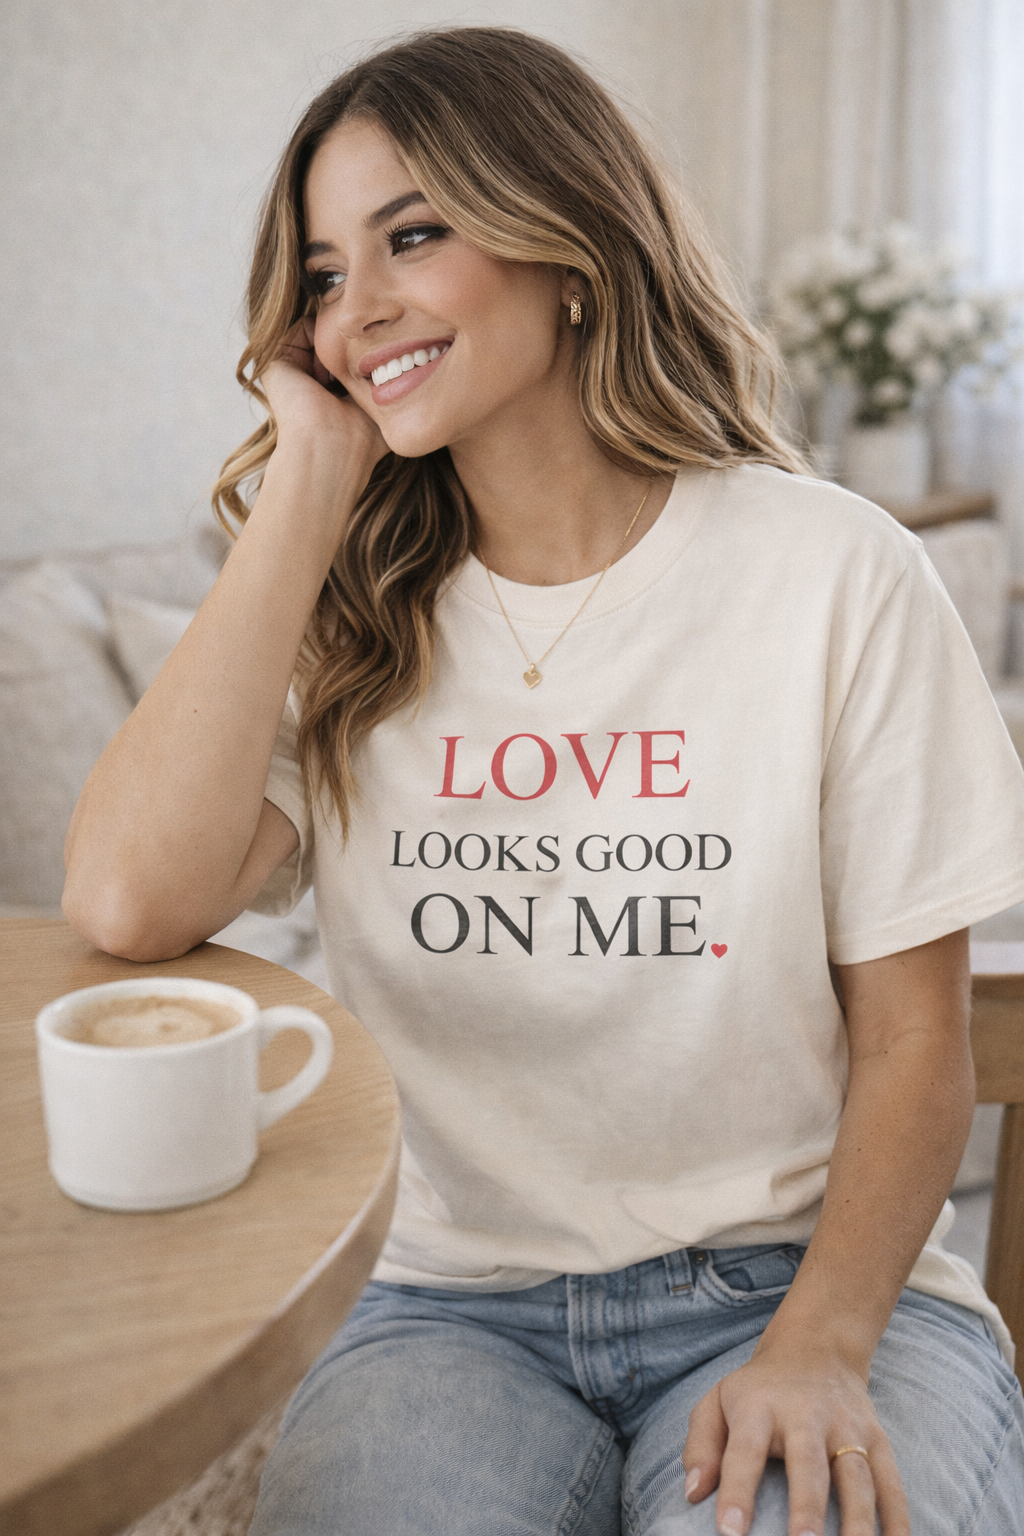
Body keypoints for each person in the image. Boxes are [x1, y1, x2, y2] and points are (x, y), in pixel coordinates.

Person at [62, 26, 1024, 1536]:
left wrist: (824, 1347)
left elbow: (917, 1041)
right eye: (322, 275)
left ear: (565, 242)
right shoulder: (348, 601)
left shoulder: (835, 573)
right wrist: (313, 468)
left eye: (413, 236)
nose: (357, 306)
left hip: (794, 1277)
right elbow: (126, 899)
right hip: (438, 1308)